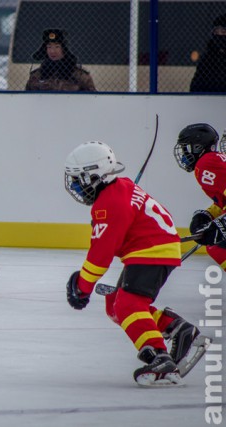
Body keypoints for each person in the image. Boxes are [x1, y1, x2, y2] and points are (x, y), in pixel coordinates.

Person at [64, 141, 207, 386]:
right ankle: (178, 329)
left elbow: (100, 256)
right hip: (154, 248)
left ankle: (159, 355)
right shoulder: (120, 188)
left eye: (80, 179)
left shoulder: (109, 203)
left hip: (152, 250)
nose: (76, 186)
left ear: (96, 175)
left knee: (128, 305)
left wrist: (82, 287)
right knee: (116, 306)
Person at [174, 123, 226, 269]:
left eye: (186, 148)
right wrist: (208, 215)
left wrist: (223, 223)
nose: (184, 154)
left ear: (197, 147)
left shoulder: (206, 163)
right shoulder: (215, 160)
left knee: (216, 247)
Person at [25, 29, 95, 92]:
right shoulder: (37, 76)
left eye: (57, 47)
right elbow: (26, 98)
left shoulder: (79, 75)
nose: (52, 51)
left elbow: (93, 98)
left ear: (64, 49)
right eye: (49, 47)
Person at [190, 14, 226, 92]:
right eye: (217, 31)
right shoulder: (208, 58)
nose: (220, 35)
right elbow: (195, 86)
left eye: (223, 31)